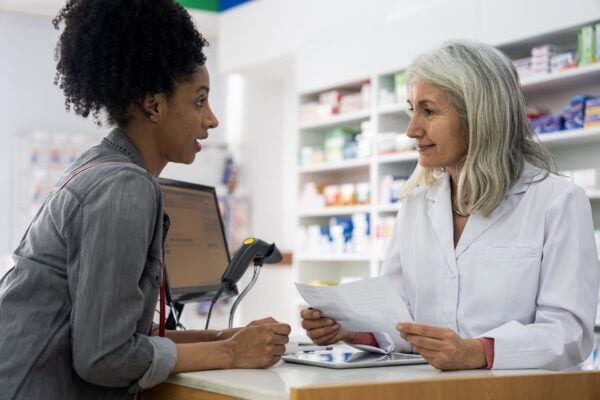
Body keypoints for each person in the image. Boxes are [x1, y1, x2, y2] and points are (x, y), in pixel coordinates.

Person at [0, 0, 290, 398]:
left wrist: (226, 336)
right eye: (199, 100)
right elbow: (105, 356)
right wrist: (231, 353)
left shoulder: (102, 168)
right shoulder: (124, 186)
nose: (212, 119)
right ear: (154, 104)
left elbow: (125, 336)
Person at [301, 40, 600, 371]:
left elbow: (570, 332)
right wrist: (356, 330)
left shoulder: (556, 201)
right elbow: (402, 319)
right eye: (411, 109)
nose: (412, 129)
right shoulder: (416, 204)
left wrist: (477, 351)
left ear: (480, 116)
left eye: (428, 111)